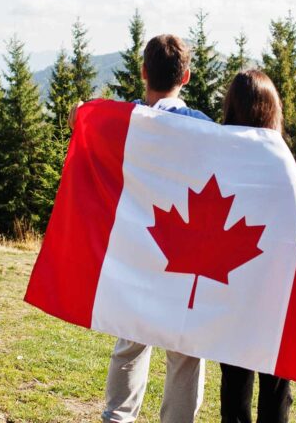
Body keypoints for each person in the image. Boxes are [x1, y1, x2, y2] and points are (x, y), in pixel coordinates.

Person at [69, 34, 211, 423]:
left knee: (131, 339)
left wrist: (83, 111)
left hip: (136, 247)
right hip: (184, 250)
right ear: (187, 75)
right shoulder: (204, 128)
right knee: (185, 349)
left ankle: (117, 417)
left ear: (144, 72)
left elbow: (79, 117)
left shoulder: (125, 120)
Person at [219, 69, 293, 423]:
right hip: (274, 286)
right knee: (276, 381)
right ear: (271, 109)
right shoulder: (281, 158)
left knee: (234, 377)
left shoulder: (219, 150)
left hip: (230, 281)